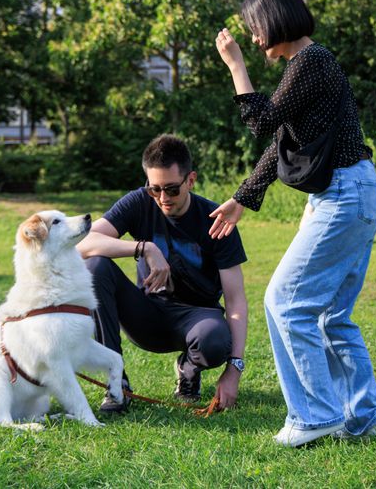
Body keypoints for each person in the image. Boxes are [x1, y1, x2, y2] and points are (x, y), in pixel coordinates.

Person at [209, 0, 376, 447]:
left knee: (285, 302)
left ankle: (314, 416)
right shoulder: (307, 65)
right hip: (355, 192)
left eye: (254, 27)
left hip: (345, 195)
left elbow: (261, 122)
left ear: (273, 20)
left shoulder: (312, 61)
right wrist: (244, 196)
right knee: (331, 315)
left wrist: (235, 66)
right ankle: (366, 417)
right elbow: (282, 140)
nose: (251, 37)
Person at [77, 134, 249, 412]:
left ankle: (189, 368)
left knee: (214, 341)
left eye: (171, 189)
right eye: (154, 189)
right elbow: (84, 243)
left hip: (198, 318)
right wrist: (143, 248)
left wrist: (234, 369)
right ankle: (116, 384)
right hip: (147, 315)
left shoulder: (216, 220)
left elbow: (236, 301)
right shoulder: (139, 202)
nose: (162, 198)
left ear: (190, 180)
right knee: (95, 266)